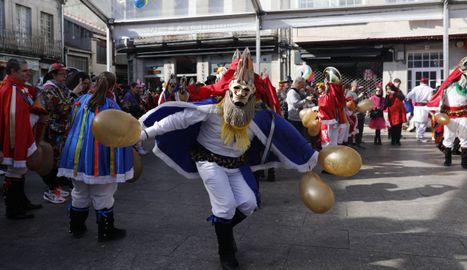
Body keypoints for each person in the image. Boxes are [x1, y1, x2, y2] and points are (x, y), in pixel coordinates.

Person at [139, 48, 318, 270]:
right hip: (208, 161)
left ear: (253, 93)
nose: (241, 93)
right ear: (229, 89)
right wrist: (144, 133)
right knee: (225, 207)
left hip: (236, 164)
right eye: (237, 88)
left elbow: (284, 131)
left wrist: (309, 155)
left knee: (249, 203)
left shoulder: (257, 116)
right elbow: (177, 120)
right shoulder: (212, 108)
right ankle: (225, 252)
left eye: (247, 90)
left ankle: (224, 229)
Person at [57, 71, 133, 241]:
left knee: (79, 192)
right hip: (101, 158)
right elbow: (121, 134)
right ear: (112, 86)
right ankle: (106, 232)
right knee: (103, 194)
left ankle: (76, 228)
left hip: (77, 156)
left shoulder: (79, 101)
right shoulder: (112, 107)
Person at [0, 59, 43, 219]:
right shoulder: (10, 89)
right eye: (24, 71)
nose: (28, 73)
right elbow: (13, 120)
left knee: (20, 170)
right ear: (13, 72)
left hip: (22, 135)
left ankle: (21, 202)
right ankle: (13, 209)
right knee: (14, 171)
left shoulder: (19, 87)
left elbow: (31, 96)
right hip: (14, 138)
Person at [427, 57, 467, 169]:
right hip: (449, 116)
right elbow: (439, 99)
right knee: (448, 137)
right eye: (466, 74)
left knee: (464, 138)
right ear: (460, 75)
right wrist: (437, 112)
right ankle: (447, 160)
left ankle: (464, 163)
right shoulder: (448, 88)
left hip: (463, 116)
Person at [41, 63, 82, 204]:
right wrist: (74, 94)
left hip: (63, 128)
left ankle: (57, 185)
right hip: (53, 129)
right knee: (52, 160)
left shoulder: (61, 87)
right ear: (53, 74)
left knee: (60, 158)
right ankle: (51, 189)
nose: (65, 77)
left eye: (65, 74)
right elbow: (63, 108)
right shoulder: (48, 89)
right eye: (62, 74)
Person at [318, 67, 347, 147]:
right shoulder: (338, 94)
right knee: (334, 139)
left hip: (330, 118)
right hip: (336, 118)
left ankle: (328, 155)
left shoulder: (328, 95)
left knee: (328, 139)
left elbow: (323, 105)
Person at [122, 80, 148, 155]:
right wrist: (138, 107)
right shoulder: (128, 95)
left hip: (136, 117)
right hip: (130, 118)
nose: (138, 89)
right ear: (132, 88)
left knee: (138, 132)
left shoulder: (136, 95)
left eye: (138, 88)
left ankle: (138, 148)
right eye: (136, 88)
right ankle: (136, 149)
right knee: (134, 134)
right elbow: (126, 108)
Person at [406, 77, 433, 142]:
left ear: (420, 82)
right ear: (427, 82)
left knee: (418, 122)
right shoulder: (430, 89)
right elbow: (430, 99)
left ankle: (418, 136)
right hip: (424, 107)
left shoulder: (415, 88)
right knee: (423, 122)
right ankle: (420, 137)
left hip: (417, 107)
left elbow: (408, 96)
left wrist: (410, 99)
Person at [346, 80, 366, 146]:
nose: (357, 87)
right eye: (356, 86)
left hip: (361, 112)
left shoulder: (357, 92)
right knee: (353, 129)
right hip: (354, 114)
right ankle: (352, 143)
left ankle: (358, 142)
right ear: (352, 86)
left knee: (360, 128)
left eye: (358, 86)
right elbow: (349, 103)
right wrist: (359, 97)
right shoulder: (349, 93)